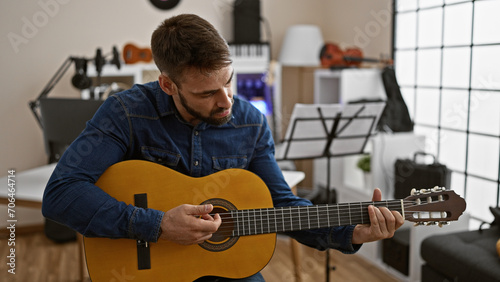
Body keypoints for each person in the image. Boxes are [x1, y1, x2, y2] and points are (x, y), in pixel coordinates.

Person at [42, 14, 404, 281]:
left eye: (228, 82)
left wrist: (352, 232)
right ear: (168, 85)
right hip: (147, 269)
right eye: (206, 93)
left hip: (227, 268)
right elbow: (61, 194)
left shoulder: (250, 122)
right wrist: (159, 225)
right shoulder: (126, 112)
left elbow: (281, 206)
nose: (226, 101)